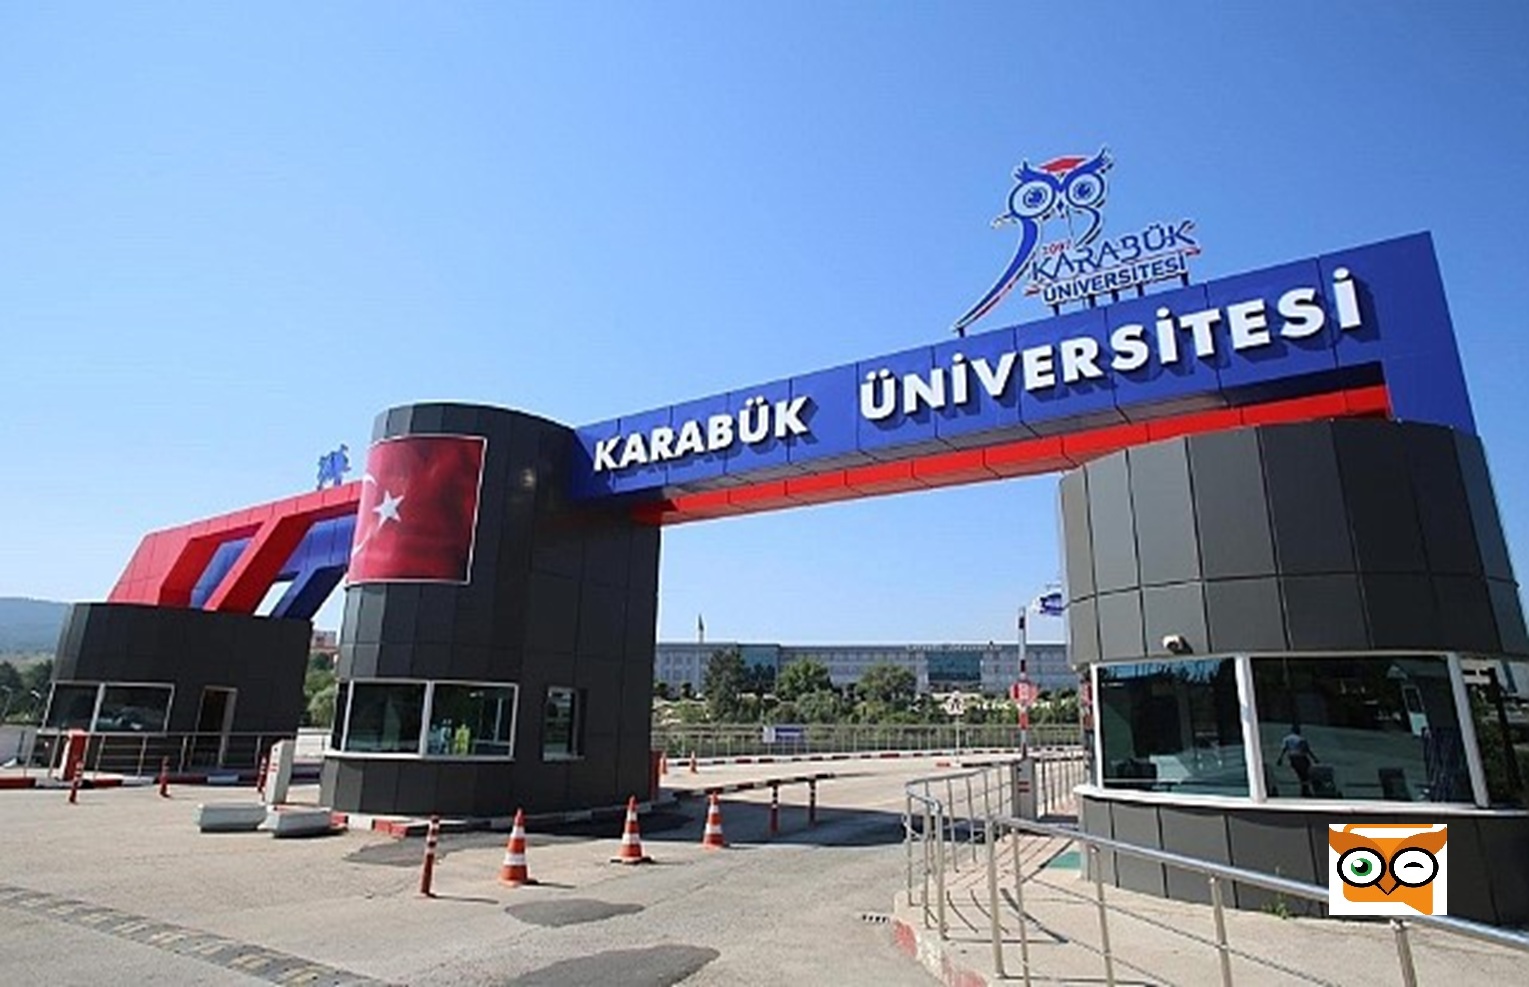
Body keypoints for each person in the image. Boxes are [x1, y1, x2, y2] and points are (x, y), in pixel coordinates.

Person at [1277, 724, 1319, 796]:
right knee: (1305, 774)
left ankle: (1304, 789)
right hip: (1300, 757)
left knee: (1301, 774)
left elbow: (1284, 749)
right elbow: (1307, 750)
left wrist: (1280, 759)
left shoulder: (1287, 739)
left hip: (1292, 757)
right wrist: (1315, 759)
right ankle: (1305, 790)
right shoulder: (1301, 739)